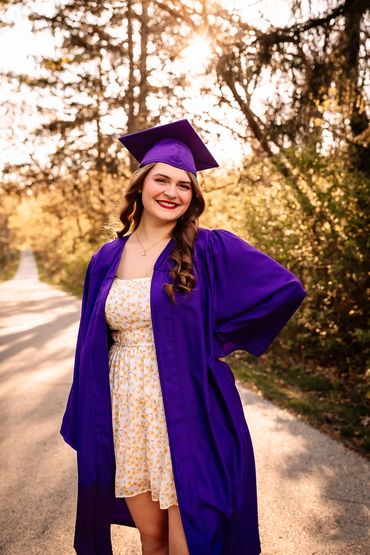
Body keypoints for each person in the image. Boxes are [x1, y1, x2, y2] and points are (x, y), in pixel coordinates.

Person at [60, 118, 307, 555]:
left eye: (184, 185)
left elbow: (285, 289)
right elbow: (89, 345)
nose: (172, 192)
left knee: (192, 540)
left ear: (193, 196)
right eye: (161, 180)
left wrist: (215, 341)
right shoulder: (105, 258)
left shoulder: (208, 248)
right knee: (152, 540)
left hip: (190, 410)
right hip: (128, 413)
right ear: (140, 184)